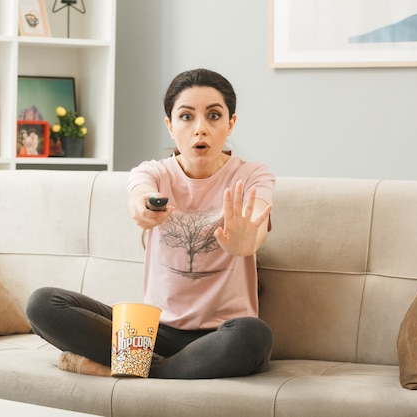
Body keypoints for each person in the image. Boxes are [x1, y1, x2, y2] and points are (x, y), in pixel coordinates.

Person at [26, 68, 275, 379]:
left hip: (220, 336)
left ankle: (130, 367)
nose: (200, 129)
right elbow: (139, 194)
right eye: (186, 117)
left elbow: (257, 219)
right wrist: (143, 207)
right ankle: (157, 367)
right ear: (170, 126)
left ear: (230, 123)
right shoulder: (153, 172)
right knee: (43, 304)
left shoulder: (253, 175)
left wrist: (246, 242)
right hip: (153, 332)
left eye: (213, 116)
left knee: (254, 336)